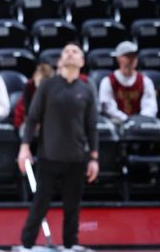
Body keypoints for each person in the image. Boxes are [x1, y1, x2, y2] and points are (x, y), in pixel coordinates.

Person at [17, 43, 98, 252]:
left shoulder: (87, 89)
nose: (70, 53)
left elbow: (92, 126)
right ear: (61, 60)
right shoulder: (48, 86)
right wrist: (24, 147)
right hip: (49, 156)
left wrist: (94, 158)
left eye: (75, 51)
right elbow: (33, 117)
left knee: (72, 207)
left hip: (77, 158)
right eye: (66, 51)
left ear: (82, 61)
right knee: (40, 205)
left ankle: (70, 245)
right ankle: (26, 245)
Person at [98, 41, 158, 125]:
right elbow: (109, 108)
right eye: (128, 56)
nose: (132, 59)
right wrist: (127, 120)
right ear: (118, 58)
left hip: (140, 124)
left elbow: (150, 107)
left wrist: (138, 121)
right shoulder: (107, 81)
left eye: (134, 56)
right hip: (117, 124)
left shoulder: (146, 81)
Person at [13, 61, 55, 130]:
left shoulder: (54, 90)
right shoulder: (28, 87)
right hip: (25, 121)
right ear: (35, 77)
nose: (42, 86)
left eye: (46, 83)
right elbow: (26, 115)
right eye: (41, 81)